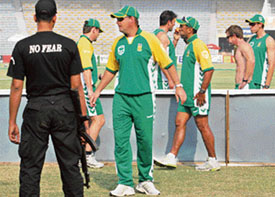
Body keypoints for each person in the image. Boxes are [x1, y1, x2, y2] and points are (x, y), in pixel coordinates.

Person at [90, 5, 186, 196]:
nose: (117, 22)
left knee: (144, 141)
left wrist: (178, 85)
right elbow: (110, 69)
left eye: (120, 19)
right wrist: (98, 91)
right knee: (121, 142)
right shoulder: (117, 43)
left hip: (144, 98)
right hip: (121, 99)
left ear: (132, 19)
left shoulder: (150, 39)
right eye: (117, 19)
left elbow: (167, 63)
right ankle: (124, 182)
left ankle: (145, 181)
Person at [7, 0, 84, 196]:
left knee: (31, 167)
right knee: (70, 166)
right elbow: (76, 87)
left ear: (34, 18)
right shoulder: (69, 45)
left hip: (36, 109)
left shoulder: (23, 46)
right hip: (65, 108)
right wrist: (82, 120)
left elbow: (17, 86)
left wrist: (12, 121)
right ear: (55, 18)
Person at [154, 16, 221, 171]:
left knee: (203, 125)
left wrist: (202, 91)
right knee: (179, 122)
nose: (179, 28)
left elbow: (209, 70)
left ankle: (213, 160)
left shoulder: (199, 45)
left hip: (198, 95)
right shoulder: (190, 45)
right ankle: (171, 157)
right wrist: (176, 39)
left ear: (190, 29)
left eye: (183, 26)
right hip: (187, 95)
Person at [77, 18, 105, 168]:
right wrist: (90, 91)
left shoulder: (82, 43)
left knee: (87, 124)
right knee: (99, 120)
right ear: (93, 30)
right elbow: (86, 69)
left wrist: (100, 76)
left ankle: (83, 155)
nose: (98, 35)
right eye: (98, 32)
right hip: (86, 89)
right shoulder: (85, 44)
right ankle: (87, 156)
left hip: (83, 88)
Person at [245, 14, 275, 89]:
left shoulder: (269, 40)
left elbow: (271, 64)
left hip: (259, 81)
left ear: (260, 25)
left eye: (252, 24)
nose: (250, 27)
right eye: (249, 24)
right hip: (247, 81)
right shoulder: (251, 39)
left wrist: (267, 85)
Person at [153, 10, 179, 89]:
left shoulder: (157, 33)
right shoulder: (162, 36)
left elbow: (166, 54)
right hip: (163, 80)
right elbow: (161, 60)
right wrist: (170, 79)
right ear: (169, 22)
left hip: (164, 79)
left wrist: (175, 40)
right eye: (174, 22)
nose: (174, 24)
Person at [225, 25, 255, 89]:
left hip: (245, 85)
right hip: (240, 84)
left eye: (228, 37)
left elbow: (251, 61)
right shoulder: (238, 47)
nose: (227, 39)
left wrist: (245, 81)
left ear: (234, 36)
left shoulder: (244, 46)